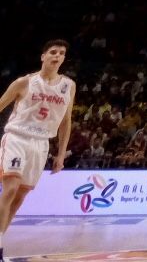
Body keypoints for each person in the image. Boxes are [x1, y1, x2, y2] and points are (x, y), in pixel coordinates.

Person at [0, 40, 74, 260]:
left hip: (41, 144)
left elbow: (66, 121)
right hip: (17, 138)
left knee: (20, 196)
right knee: (11, 188)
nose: (57, 56)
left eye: (61, 53)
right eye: (53, 52)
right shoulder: (24, 82)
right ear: (43, 56)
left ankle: (2, 236)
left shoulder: (68, 86)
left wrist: (60, 154)